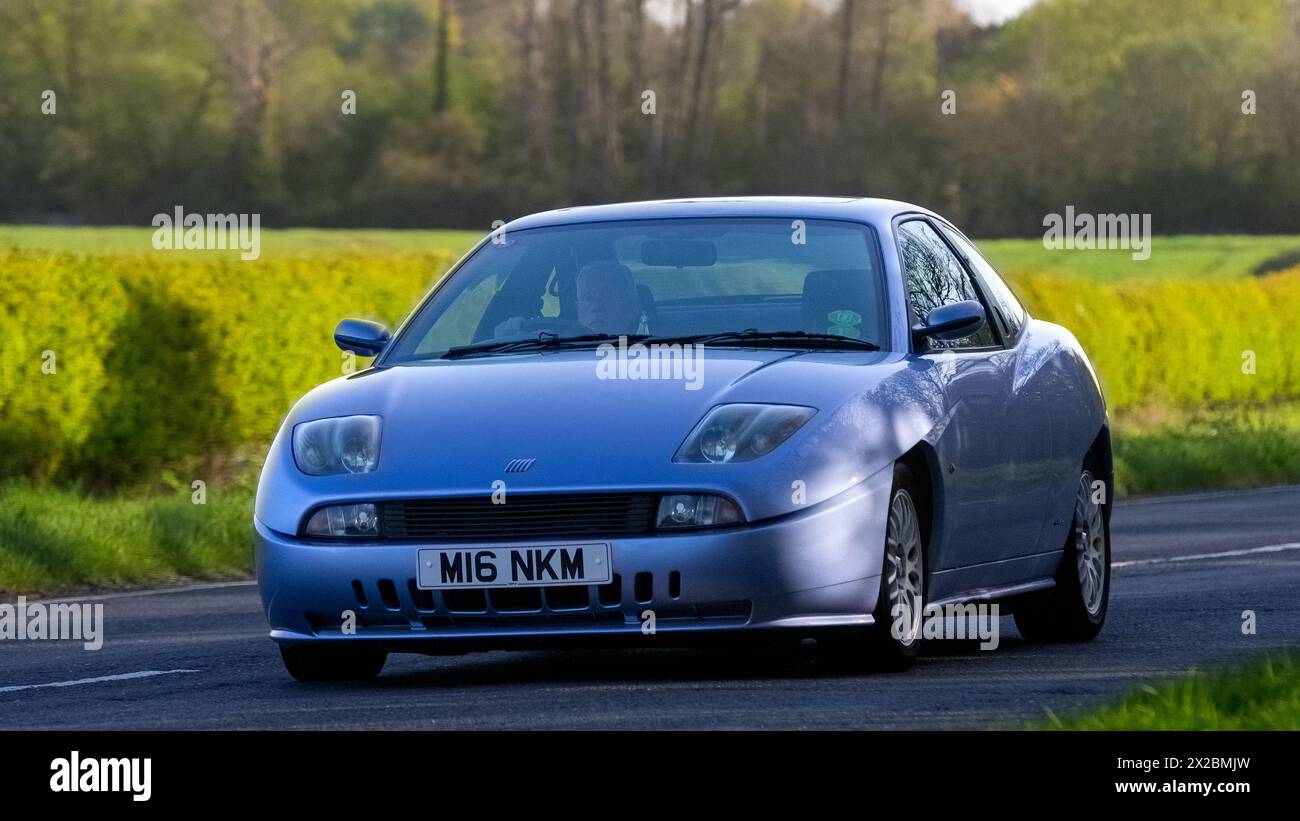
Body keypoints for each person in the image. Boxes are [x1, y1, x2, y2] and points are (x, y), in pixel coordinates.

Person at [495, 260, 649, 337]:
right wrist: (507, 338)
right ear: (577, 308)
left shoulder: (647, 363)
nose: (597, 306)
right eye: (588, 298)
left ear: (633, 308)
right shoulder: (547, 351)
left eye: (608, 296)